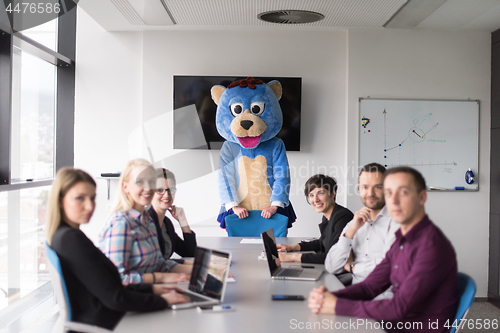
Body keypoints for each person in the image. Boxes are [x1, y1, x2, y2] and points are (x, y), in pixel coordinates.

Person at [308, 167, 459, 333]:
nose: (393, 200)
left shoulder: (431, 245)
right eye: (389, 193)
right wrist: (331, 298)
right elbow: (370, 286)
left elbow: (398, 308)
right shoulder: (404, 238)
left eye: (403, 192)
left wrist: (337, 305)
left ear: (422, 197)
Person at [46, 167, 189, 330]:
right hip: (108, 322)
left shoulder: (65, 235)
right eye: (80, 198)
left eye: (92, 198)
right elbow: (114, 297)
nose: (89, 206)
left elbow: (110, 285)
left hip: (107, 316)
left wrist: (152, 289)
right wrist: (164, 300)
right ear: (60, 200)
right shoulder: (70, 240)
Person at [99, 159, 191, 285]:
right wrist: (161, 278)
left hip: (149, 292)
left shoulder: (147, 221)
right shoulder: (121, 224)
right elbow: (116, 279)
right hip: (133, 299)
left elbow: (160, 263)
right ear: (125, 187)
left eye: (151, 182)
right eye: (140, 182)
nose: (148, 188)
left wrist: (202, 271)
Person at [325, 163, 399, 289]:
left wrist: (352, 267)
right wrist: (351, 232)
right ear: (359, 189)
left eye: (377, 187)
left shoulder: (398, 223)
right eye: (365, 187)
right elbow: (331, 266)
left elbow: (390, 267)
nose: (370, 193)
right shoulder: (354, 223)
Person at [277, 175, 353, 264]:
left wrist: (292, 257)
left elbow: (334, 257)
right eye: (311, 195)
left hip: (342, 274)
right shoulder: (328, 215)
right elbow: (321, 243)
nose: (315, 200)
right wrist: (290, 248)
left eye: (320, 193)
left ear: (332, 194)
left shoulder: (343, 217)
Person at [148, 168, 197, 261]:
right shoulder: (145, 221)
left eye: (170, 190)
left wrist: (183, 221)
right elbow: (154, 262)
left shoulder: (167, 223)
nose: (167, 195)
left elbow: (189, 254)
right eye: (160, 190)